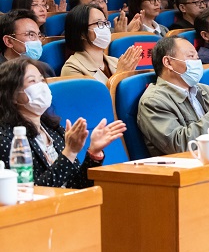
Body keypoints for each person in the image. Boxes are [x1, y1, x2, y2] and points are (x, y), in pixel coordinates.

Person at [0, 58, 126, 188]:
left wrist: (94, 153)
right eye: (32, 81)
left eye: (42, 80)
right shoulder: (6, 139)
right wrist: (69, 152)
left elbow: (76, 185)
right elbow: (32, 191)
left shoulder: (53, 129)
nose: (41, 86)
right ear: (12, 95)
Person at [137, 36, 209, 156]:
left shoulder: (206, 90)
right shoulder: (153, 101)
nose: (197, 62)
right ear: (168, 62)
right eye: (191, 56)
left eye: (197, 58)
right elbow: (179, 146)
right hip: (186, 165)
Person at [61, 4, 142, 83]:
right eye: (99, 23)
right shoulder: (72, 68)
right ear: (82, 33)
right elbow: (96, 92)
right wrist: (119, 74)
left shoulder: (116, 62)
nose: (105, 28)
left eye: (106, 23)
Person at [0, 10, 55, 76]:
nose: (38, 41)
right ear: (8, 41)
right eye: (31, 35)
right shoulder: (2, 73)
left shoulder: (45, 69)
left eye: (39, 35)